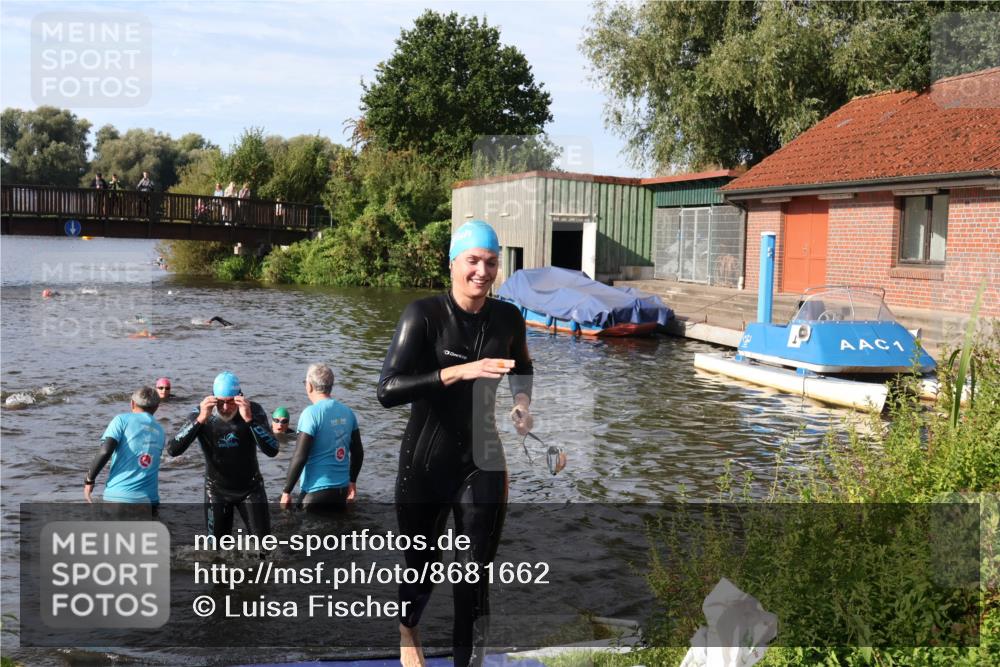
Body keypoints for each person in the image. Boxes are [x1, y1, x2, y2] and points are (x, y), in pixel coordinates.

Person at [378, 219, 534, 667]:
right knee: (421, 576)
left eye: (491, 262)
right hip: (424, 466)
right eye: (473, 261)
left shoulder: (508, 318)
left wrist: (522, 403)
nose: (482, 272)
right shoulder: (423, 316)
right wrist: (457, 372)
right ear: (453, 264)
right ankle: (409, 628)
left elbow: (523, 367)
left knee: (473, 582)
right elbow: (387, 390)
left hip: (482, 461)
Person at [167, 371, 279, 540]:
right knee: (216, 552)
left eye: (230, 402)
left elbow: (272, 450)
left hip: (251, 488)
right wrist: (200, 420)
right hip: (216, 490)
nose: (225, 408)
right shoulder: (201, 413)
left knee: (264, 547)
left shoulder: (253, 411)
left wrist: (249, 421)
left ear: (239, 397)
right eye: (220, 402)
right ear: (212, 398)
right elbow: (173, 449)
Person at [280, 364, 363, 513]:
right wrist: (352, 482)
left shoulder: (311, 414)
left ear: (309, 386)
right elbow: (358, 452)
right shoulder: (348, 412)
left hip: (315, 493)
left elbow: (300, 456)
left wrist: (286, 491)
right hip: (341, 492)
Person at [84, 386, 166, 509]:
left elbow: (105, 450)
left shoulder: (121, 420)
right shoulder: (160, 430)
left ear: (132, 403)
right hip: (150, 501)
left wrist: (89, 479)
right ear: (156, 407)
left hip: (118, 499)